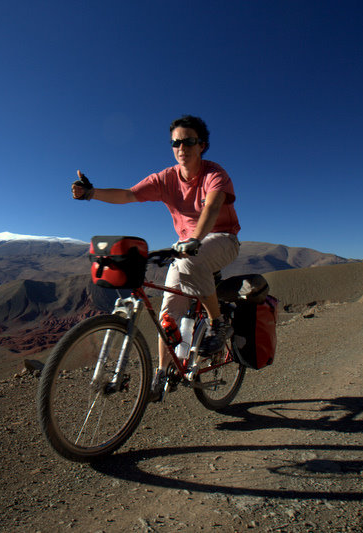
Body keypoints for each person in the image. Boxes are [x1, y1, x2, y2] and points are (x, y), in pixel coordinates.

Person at [71, 115, 240, 401]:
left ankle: (217, 323)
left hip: (221, 239)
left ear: (203, 146)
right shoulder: (166, 178)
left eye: (188, 141)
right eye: (176, 142)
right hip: (186, 247)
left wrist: (195, 240)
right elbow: (128, 194)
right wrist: (92, 193)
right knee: (167, 313)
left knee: (189, 260)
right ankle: (163, 374)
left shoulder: (215, 174)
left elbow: (211, 208)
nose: (181, 147)